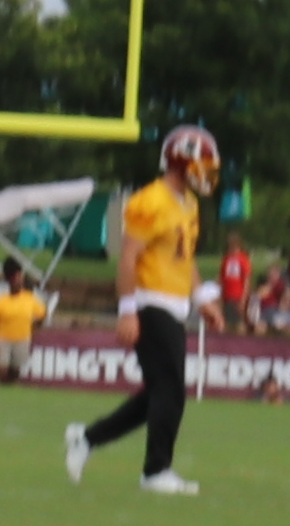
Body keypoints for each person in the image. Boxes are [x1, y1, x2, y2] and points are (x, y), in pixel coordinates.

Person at [70, 124, 223, 495]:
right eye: (201, 163)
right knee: (171, 389)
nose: (206, 173)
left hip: (174, 303)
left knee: (159, 391)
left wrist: (202, 298)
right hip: (149, 300)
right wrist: (127, 310)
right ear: (180, 161)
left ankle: (87, 438)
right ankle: (156, 471)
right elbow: (127, 259)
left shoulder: (187, 202)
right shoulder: (149, 201)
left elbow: (183, 258)